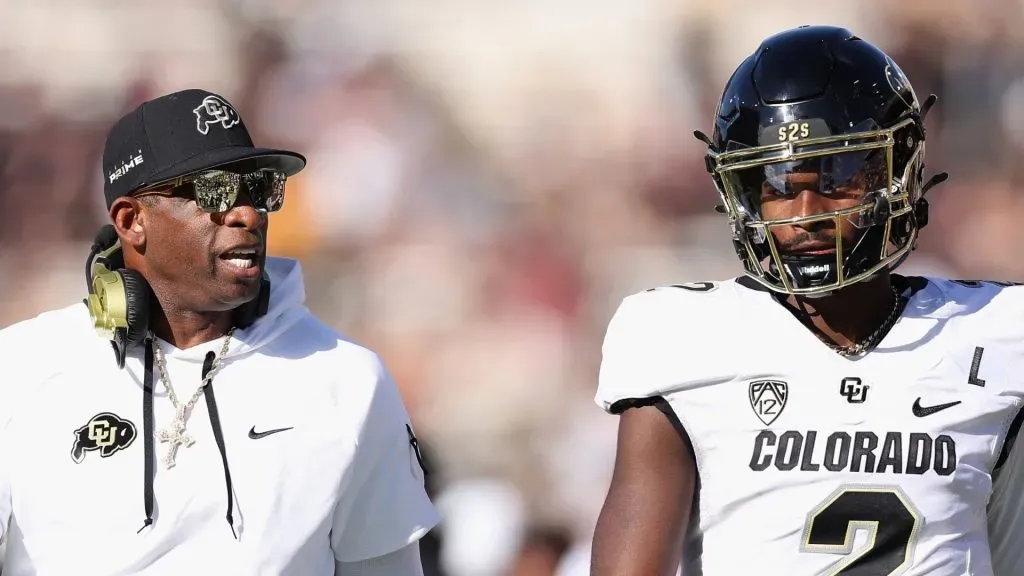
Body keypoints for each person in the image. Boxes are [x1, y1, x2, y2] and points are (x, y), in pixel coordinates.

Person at [591, 25, 1024, 576]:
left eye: (837, 177)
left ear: (900, 173)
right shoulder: (676, 335)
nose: (805, 213)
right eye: (776, 186)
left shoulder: (1000, 334)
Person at [0, 89, 439, 575]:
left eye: (260, 189)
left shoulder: (348, 381)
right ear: (132, 221)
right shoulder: (20, 369)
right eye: (215, 191)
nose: (248, 214)